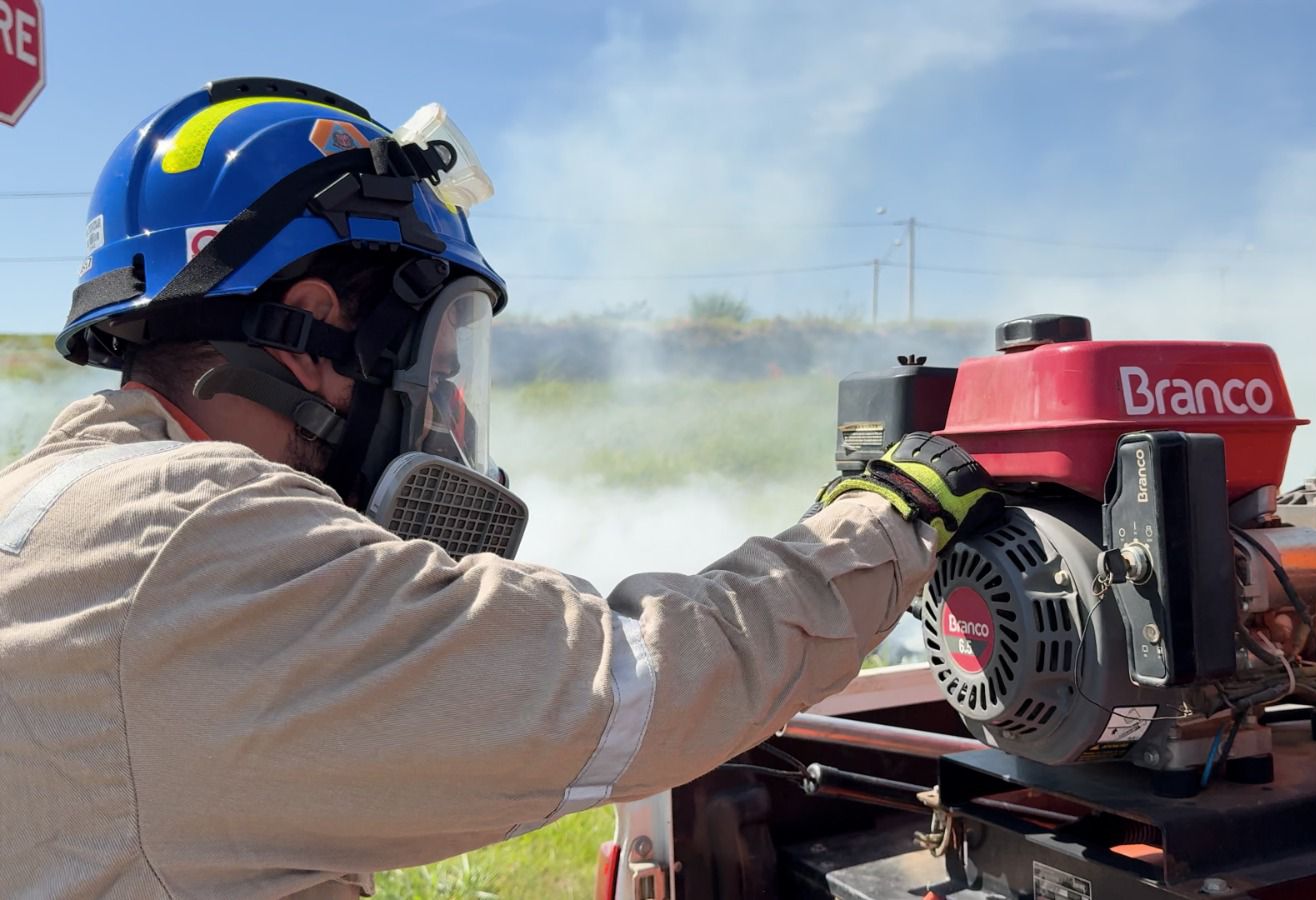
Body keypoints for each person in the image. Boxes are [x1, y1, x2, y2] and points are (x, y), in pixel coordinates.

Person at [0, 78, 1000, 899]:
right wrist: (888, 519)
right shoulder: (202, 546)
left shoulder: (57, 510)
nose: (446, 407)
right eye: (438, 364)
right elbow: (642, 683)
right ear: (310, 335)